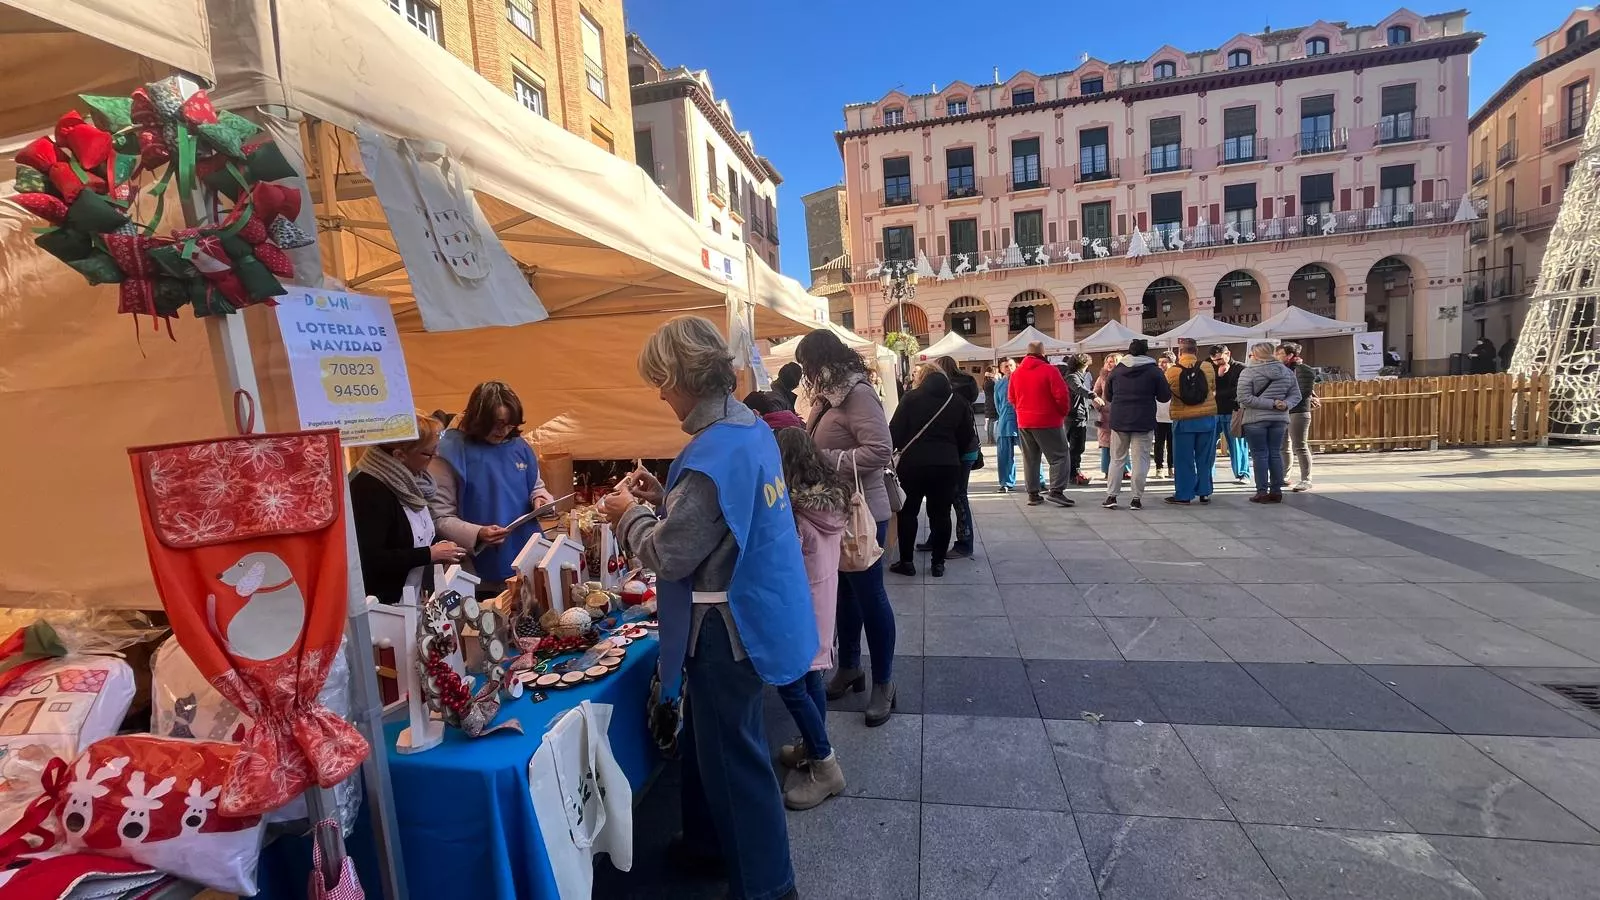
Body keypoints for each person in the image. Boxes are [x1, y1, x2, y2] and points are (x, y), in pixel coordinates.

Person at [599, 316, 812, 900]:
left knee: (736, 766)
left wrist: (627, 513)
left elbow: (670, 554)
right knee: (721, 751)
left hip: (724, 630)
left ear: (679, 377)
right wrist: (666, 493)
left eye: (660, 382)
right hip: (754, 615)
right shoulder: (748, 427)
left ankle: (768, 887)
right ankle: (710, 845)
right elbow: (718, 510)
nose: (659, 395)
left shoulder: (710, 453)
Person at [793, 328, 899, 726]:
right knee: (845, 597)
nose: (806, 373)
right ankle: (851, 667)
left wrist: (823, 458)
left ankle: (884, 683)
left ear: (825, 362)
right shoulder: (828, 397)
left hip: (864, 512)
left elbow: (880, 450)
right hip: (836, 510)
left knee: (871, 596)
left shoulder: (857, 393)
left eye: (809, 365)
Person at [769, 426, 848, 811]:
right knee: (811, 677)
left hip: (799, 610)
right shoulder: (828, 504)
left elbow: (781, 565)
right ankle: (810, 744)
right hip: (822, 605)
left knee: (791, 685)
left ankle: (825, 765)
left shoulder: (795, 514)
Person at [430, 382, 555, 595]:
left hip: (527, 556)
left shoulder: (518, 445)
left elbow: (535, 485)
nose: (503, 431)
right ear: (479, 420)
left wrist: (540, 499)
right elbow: (440, 516)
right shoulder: (450, 451)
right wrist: (478, 533)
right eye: (497, 424)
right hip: (479, 569)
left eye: (509, 424)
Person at [350, 414, 467, 604]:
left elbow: (410, 538)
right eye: (428, 453)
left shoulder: (411, 481)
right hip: (384, 608)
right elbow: (371, 559)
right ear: (399, 455)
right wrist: (430, 553)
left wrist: (439, 549)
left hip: (411, 599)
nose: (436, 455)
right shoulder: (368, 490)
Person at [890, 366, 977, 578]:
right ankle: (938, 564)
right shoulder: (958, 401)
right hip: (947, 465)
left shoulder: (911, 399)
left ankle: (907, 562)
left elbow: (894, 432)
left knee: (908, 512)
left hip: (913, 465)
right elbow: (967, 436)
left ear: (921, 378)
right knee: (941, 514)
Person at [1101, 340, 1170, 510]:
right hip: (1143, 420)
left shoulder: (1117, 370)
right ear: (1146, 352)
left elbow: (1108, 396)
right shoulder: (1154, 371)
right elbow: (1164, 397)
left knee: (1117, 459)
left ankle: (1111, 496)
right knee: (1141, 460)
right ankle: (1136, 499)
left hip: (1119, 420)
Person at [1008, 341, 1077, 507]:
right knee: (1060, 456)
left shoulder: (1016, 373)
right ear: (1043, 353)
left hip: (1024, 421)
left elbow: (1011, 398)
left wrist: (1022, 411)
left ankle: (1033, 494)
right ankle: (1056, 491)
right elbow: (1062, 395)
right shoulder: (1049, 370)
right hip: (1047, 420)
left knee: (1030, 458)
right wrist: (1061, 413)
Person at [1236, 342, 1302, 503]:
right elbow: (1296, 395)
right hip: (1279, 419)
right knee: (1275, 453)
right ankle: (1276, 490)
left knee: (1260, 454)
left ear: (1256, 355)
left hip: (1255, 419)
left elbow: (1244, 398)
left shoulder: (1249, 372)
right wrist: (1284, 404)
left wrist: (1270, 403)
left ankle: (1262, 491)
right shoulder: (1286, 372)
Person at [933, 356, 980, 557]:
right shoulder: (968, 387)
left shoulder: (947, 393)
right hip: (968, 449)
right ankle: (943, 539)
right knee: (951, 495)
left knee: (957, 496)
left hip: (956, 450)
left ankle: (964, 543)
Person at [1165, 338, 1218, 505]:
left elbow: (1168, 392)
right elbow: (1212, 387)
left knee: (1183, 459)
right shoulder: (1208, 367)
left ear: (1179, 353)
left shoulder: (1171, 371)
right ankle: (1204, 492)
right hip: (1206, 419)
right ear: (1196, 352)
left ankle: (1184, 494)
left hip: (1183, 420)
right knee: (1205, 458)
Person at [1277, 341, 1319, 492]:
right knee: (1283, 446)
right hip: (1282, 411)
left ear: (1290, 355)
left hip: (1298, 411)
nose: (1278, 357)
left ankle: (1306, 479)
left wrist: (1283, 401)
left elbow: (1303, 392)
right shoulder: (1281, 370)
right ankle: (1284, 476)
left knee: (1300, 446)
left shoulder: (1304, 370)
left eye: (1281, 354)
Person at [1210, 345, 1250, 485]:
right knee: (1209, 444)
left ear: (1228, 354)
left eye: (1220, 359)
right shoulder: (1210, 368)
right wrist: (1218, 376)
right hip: (1214, 411)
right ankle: (1208, 472)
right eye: (1214, 360)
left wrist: (1218, 391)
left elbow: (1239, 389)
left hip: (1233, 410)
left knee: (1237, 444)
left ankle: (1242, 473)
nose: (1217, 362)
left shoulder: (1241, 368)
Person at [1065, 354, 1095, 485]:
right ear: (1083, 365)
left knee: (1077, 447)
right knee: (1076, 448)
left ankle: (1073, 473)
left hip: (1077, 415)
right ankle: (1074, 474)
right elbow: (1078, 388)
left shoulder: (1075, 375)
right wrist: (1093, 395)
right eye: (1087, 365)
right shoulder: (1072, 377)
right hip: (1075, 416)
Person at [993, 358, 1020, 492]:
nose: (1009, 369)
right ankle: (1006, 482)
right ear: (1001, 369)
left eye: (1011, 366)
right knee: (1004, 454)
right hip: (1005, 422)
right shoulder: (999, 384)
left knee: (1031, 453)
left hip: (1021, 421)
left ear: (1016, 367)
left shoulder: (1022, 381)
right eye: (1006, 366)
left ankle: (1039, 481)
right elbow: (997, 405)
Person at [1094, 353, 1121, 479]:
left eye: (1112, 361)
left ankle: (1124, 469)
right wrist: (1099, 405)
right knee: (1106, 443)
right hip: (1105, 415)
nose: (1109, 364)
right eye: (1108, 361)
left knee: (1121, 442)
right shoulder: (1102, 377)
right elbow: (1095, 393)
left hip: (1121, 413)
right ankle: (1106, 470)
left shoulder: (1123, 376)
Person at [1154, 352, 1175, 479]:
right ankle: (1159, 468)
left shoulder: (1175, 376)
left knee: (1172, 444)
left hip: (1173, 415)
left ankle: (1171, 468)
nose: (1161, 364)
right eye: (1160, 362)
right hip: (1158, 415)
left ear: (1172, 363)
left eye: (1164, 362)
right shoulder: (1156, 376)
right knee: (1159, 443)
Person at [981, 366, 999, 444]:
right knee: (992, 420)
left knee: (990, 421)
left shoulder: (986, 382)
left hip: (988, 402)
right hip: (992, 403)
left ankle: (990, 439)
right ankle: (991, 439)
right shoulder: (991, 382)